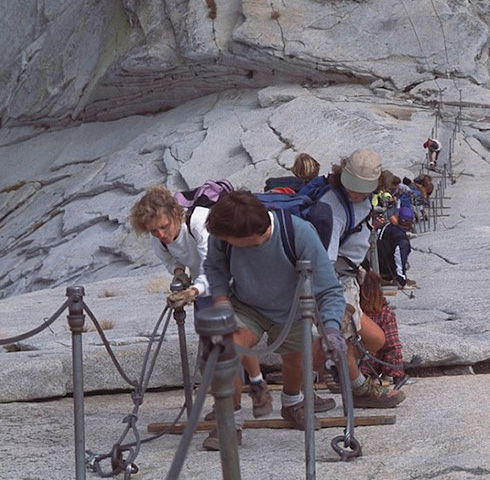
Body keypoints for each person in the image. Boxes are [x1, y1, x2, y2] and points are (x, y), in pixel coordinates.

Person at [202, 190, 347, 450]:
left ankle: (292, 403)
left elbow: (328, 289)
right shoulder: (223, 234)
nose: (222, 241)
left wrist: (332, 329)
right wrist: (221, 300)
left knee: (295, 358)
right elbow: (214, 266)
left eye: (229, 240)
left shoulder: (299, 234)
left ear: (252, 236)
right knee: (223, 350)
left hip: (291, 308)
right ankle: (229, 420)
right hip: (246, 305)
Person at [130, 186, 272, 419]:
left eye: (164, 227)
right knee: (214, 348)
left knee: (236, 337)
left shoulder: (199, 222)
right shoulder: (158, 238)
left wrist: (193, 291)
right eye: (154, 231)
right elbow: (170, 259)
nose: (161, 234)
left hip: (232, 280)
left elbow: (212, 265)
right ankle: (228, 405)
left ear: (175, 214)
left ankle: (256, 385)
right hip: (202, 288)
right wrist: (178, 272)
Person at [318, 148, 407, 407]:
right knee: (345, 339)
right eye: (353, 187)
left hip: (350, 277)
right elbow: (325, 259)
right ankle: (359, 390)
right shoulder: (332, 207)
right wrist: (332, 299)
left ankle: (321, 370)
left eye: (362, 188)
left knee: (376, 338)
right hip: (335, 281)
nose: (356, 192)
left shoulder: (361, 201)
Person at [359, 270, 405, 383]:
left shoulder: (350, 310)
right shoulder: (385, 314)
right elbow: (393, 346)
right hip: (369, 369)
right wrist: (396, 373)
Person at [377, 206, 416, 288]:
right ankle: (396, 279)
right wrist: (402, 281)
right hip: (387, 273)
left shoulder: (387, 227)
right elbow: (399, 258)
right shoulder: (401, 239)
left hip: (379, 267)